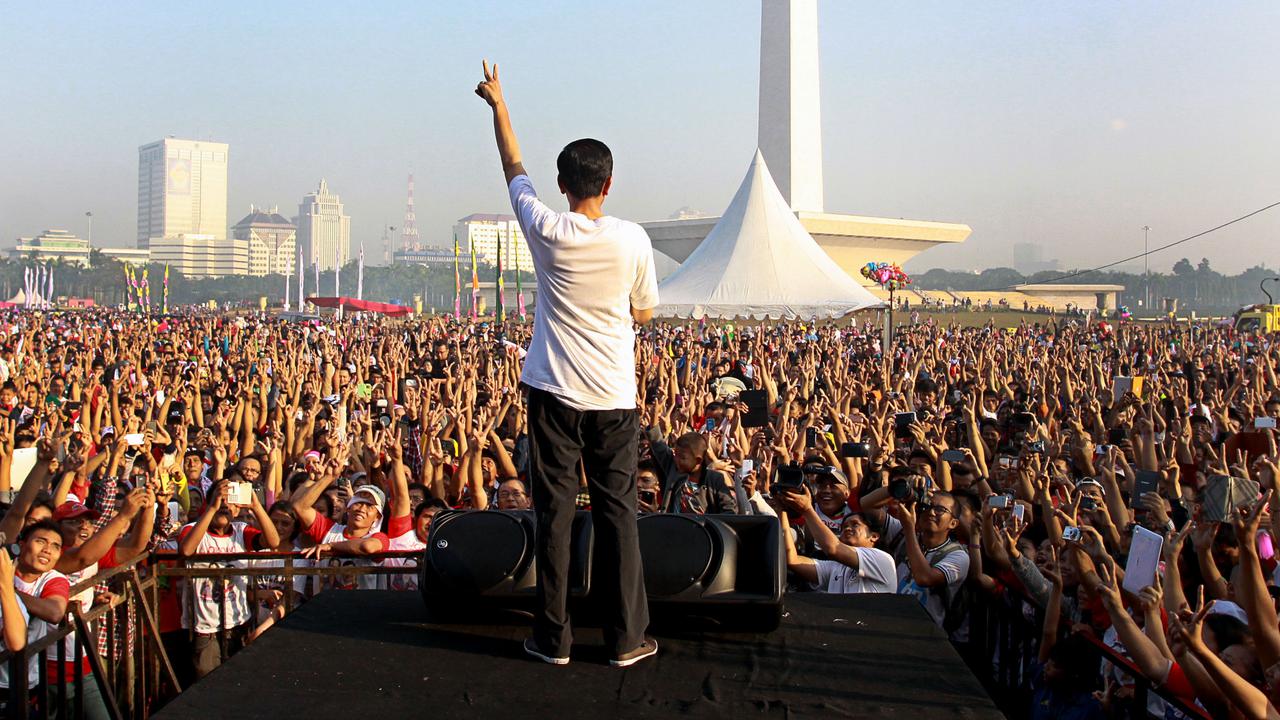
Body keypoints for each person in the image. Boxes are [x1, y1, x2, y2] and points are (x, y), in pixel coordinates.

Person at [476, 59, 658, 667]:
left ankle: (552, 640)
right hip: (613, 395)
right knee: (618, 519)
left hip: (552, 390)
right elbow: (645, 312)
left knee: (552, 516)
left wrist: (500, 106)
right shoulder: (633, 239)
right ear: (609, 184)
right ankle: (626, 639)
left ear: (563, 184)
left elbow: (511, 168)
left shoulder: (546, 227)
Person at [778, 484, 895, 594]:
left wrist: (807, 510)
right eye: (844, 527)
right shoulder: (837, 568)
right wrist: (782, 510)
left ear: (874, 536)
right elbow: (792, 560)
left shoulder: (882, 560)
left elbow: (833, 548)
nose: (848, 529)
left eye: (855, 524)